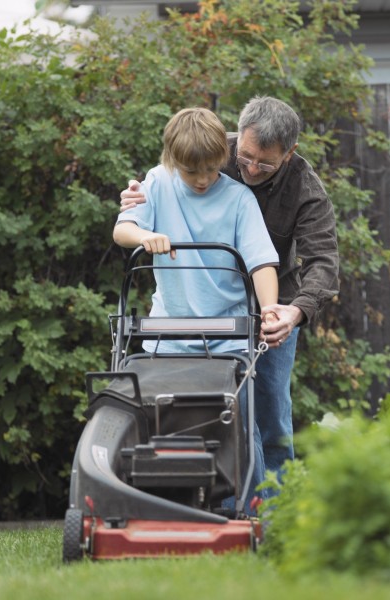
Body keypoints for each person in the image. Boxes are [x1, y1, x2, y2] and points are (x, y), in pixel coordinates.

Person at [120, 96, 340, 490]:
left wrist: (283, 311)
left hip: (263, 315)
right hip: (178, 317)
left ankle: (269, 510)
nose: (252, 169)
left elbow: (315, 263)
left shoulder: (302, 190)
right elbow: (173, 166)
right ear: (235, 144)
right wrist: (136, 206)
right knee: (181, 411)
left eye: (266, 164)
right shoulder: (210, 152)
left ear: (289, 154)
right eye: (246, 158)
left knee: (266, 413)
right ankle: (198, 499)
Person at [113, 107, 280, 509]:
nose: (203, 180)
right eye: (192, 172)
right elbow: (123, 230)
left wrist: (271, 309)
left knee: (240, 421)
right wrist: (145, 234)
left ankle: (256, 510)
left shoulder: (239, 198)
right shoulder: (156, 183)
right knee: (156, 419)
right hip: (166, 335)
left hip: (227, 338)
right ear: (172, 160)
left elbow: (261, 262)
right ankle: (160, 502)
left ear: (223, 156)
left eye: (210, 169)